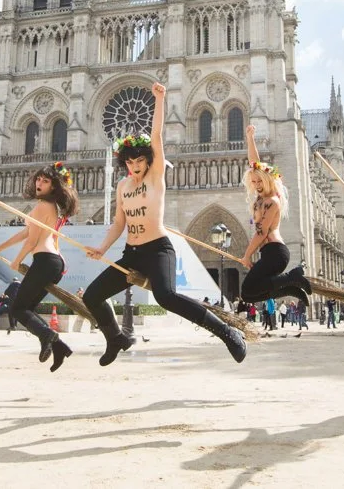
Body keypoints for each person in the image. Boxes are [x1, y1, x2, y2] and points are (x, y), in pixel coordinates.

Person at [83, 83, 246, 365]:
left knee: (166, 296)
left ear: (148, 161)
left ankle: (227, 332)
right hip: (132, 254)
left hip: (157, 249)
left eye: (139, 161)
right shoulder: (122, 187)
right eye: (130, 162)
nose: (135, 166)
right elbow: (119, 223)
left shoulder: (155, 177)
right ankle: (116, 338)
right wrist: (102, 248)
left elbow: (156, 135)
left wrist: (159, 99)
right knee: (91, 296)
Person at [0, 162, 78, 371]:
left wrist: (17, 260)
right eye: (38, 179)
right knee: (26, 309)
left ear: (53, 186)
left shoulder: (43, 206)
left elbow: (32, 241)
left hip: (45, 260)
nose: (39, 183)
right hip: (53, 262)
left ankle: (47, 337)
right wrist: (0, 248)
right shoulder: (51, 206)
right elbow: (27, 232)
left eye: (45, 181)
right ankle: (58, 347)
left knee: (18, 309)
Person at [237, 124, 311, 306]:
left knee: (248, 289)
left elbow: (261, 232)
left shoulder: (272, 201)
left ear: (268, 180)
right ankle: (290, 288)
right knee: (248, 296)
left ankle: (292, 277)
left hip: (276, 253)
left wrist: (247, 255)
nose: (256, 185)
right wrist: (250, 138)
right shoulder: (262, 198)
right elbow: (255, 163)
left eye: (260, 181)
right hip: (268, 253)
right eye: (254, 182)